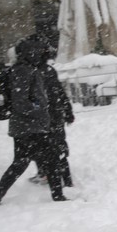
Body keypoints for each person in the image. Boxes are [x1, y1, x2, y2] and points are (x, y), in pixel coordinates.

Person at [0, 36, 67, 206]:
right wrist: (39, 108)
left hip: (28, 126)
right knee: (43, 160)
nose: (42, 55)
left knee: (26, 163)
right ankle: (58, 196)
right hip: (29, 126)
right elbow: (21, 102)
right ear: (31, 53)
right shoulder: (23, 70)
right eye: (38, 52)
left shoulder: (26, 68)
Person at [29, 37, 75, 187]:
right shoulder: (48, 70)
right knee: (58, 146)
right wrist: (67, 110)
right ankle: (65, 180)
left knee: (43, 148)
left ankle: (47, 174)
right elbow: (59, 92)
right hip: (55, 114)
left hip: (44, 116)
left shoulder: (32, 72)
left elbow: (56, 92)